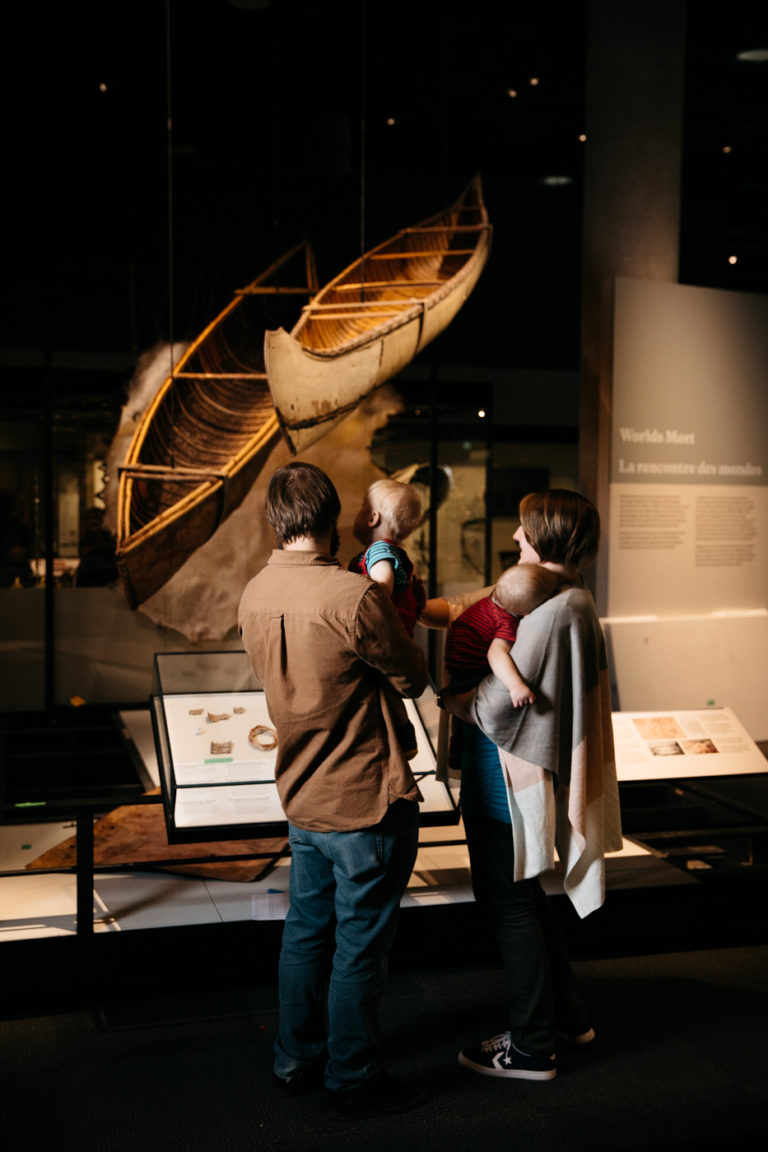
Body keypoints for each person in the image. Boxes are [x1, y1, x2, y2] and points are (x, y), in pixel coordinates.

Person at [238, 461, 430, 1120]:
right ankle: (351, 1077)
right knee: (359, 948)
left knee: (304, 935)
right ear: (330, 517)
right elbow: (412, 679)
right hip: (365, 799)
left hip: (301, 792)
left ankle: (295, 1058)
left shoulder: (253, 593)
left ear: (276, 519)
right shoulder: (353, 597)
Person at [433, 489, 622, 1082]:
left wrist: (452, 698)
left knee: (508, 902)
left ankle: (533, 1047)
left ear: (544, 535)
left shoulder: (551, 611)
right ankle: (568, 1018)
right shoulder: (575, 598)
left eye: (522, 530)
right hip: (527, 775)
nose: (515, 539)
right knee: (528, 900)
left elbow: (495, 707)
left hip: (507, 776)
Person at [442, 563, 565, 772]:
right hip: (472, 669)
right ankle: (459, 751)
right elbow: (496, 654)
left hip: (456, 664)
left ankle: (455, 750)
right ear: (526, 612)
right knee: (468, 716)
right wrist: (515, 685)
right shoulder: (506, 621)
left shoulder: (488, 603)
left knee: (458, 715)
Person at [349, 479, 426, 638]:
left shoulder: (379, 551)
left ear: (372, 518)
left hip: (383, 638)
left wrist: (346, 582)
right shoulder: (389, 551)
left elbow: (381, 589)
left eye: (363, 505)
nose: (359, 510)